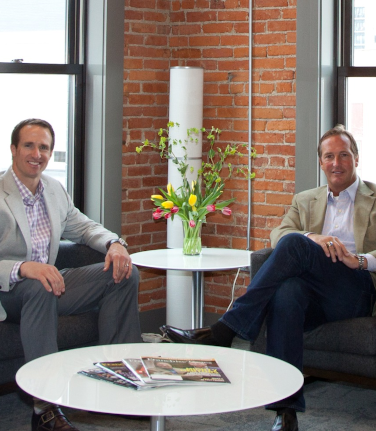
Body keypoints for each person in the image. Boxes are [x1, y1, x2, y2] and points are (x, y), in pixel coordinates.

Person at [161, 124, 376, 431]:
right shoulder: (306, 200)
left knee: (294, 245)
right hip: (314, 295)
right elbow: (279, 234)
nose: (336, 162)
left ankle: (225, 330)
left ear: (356, 157)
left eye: (343, 155)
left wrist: (358, 260)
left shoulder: (374, 198)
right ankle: (285, 411)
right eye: (329, 156)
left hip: (354, 290)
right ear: (321, 162)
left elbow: (291, 242)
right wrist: (314, 237)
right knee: (287, 293)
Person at [0, 118, 141, 431]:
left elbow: (83, 227)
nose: (36, 153)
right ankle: (46, 409)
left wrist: (115, 244)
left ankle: (119, 382)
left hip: (46, 283)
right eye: (29, 145)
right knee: (38, 286)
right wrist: (24, 268)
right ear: (13, 149)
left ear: (51, 153)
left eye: (44, 147)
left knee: (122, 274)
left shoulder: (53, 190)